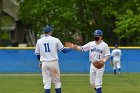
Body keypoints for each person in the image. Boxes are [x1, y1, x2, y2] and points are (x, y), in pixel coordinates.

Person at [35, 25, 72, 93]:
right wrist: (72, 48)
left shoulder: (39, 41)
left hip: (44, 63)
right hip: (53, 63)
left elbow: (37, 54)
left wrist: (40, 62)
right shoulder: (55, 40)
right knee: (57, 83)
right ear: (51, 32)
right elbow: (64, 50)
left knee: (47, 84)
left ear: (44, 32)